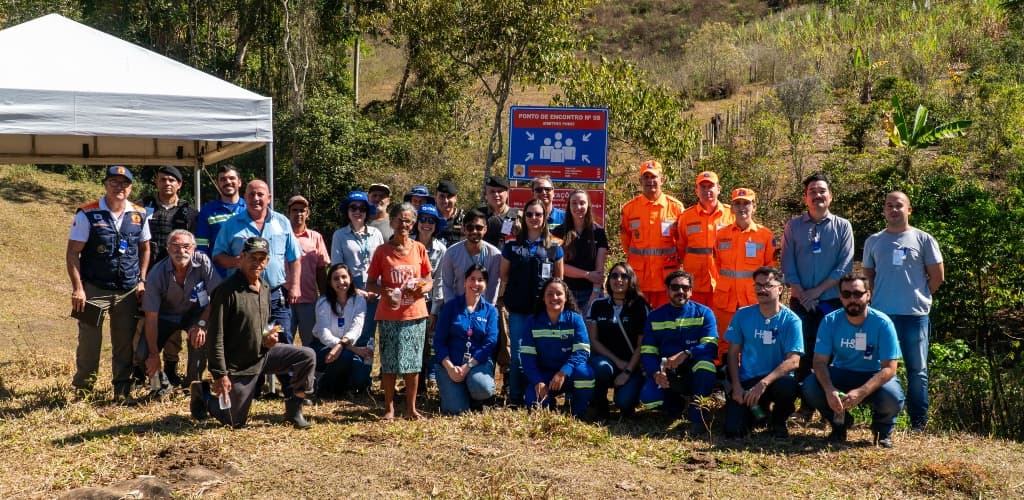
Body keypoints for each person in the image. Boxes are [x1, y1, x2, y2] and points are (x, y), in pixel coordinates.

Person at [190, 236, 315, 429]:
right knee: (234, 421)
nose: (257, 263)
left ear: (267, 261)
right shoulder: (226, 291)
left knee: (307, 356)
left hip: (263, 355)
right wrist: (220, 374)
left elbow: (265, 322)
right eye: (252, 258)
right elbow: (215, 337)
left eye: (261, 258)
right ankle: (204, 394)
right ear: (241, 257)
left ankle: (294, 409)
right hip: (239, 365)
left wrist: (268, 335)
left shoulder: (265, 288)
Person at [67, 165, 151, 404]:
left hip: (127, 291)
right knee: (89, 342)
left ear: (131, 187)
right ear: (105, 184)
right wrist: (78, 288)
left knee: (124, 343)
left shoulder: (139, 214)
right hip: (94, 289)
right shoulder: (87, 213)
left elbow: (145, 248)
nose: (119, 187)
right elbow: (73, 253)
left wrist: (142, 280)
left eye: (124, 183)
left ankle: (122, 391)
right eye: (114, 182)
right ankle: (83, 390)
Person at [862, 191, 944, 431]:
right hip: (882, 317)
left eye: (899, 205)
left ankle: (919, 422)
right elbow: (868, 277)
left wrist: (919, 296)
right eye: (889, 205)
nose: (893, 209)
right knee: (882, 369)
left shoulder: (923, 239)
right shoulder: (874, 241)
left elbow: (937, 277)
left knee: (917, 371)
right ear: (884, 210)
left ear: (909, 210)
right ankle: (886, 418)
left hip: (915, 316)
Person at [802, 273, 905, 448]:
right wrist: (829, 390)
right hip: (842, 374)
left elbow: (889, 368)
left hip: (873, 376)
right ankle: (839, 424)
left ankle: (882, 431)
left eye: (857, 294)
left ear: (868, 295)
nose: (852, 299)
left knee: (893, 395)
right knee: (810, 385)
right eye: (846, 294)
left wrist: (861, 392)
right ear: (840, 297)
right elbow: (819, 362)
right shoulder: (830, 321)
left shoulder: (883, 323)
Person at [781, 171, 853, 395]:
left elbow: (845, 266)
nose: (817, 195)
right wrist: (802, 294)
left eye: (822, 191)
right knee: (801, 349)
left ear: (830, 196)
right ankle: (804, 401)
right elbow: (787, 263)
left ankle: (828, 398)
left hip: (830, 301)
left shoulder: (843, 226)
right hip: (799, 300)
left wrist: (817, 292)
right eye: (812, 192)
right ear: (805, 198)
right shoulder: (793, 226)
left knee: (829, 350)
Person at [213, 180, 302, 347]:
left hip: (275, 296)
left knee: (281, 340)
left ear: (269, 198)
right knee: (251, 341)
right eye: (251, 195)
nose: (256, 198)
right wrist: (237, 261)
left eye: (260, 194)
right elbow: (218, 256)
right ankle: (256, 373)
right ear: (244, 198)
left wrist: (295, 286)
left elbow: (295, 257)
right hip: (245, 295)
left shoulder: (282, 222)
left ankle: (283, 374)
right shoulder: (232, 224)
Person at [366, 203, 433, 420]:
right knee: (389, 362)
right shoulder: (382, 251)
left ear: (412, 224)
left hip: (415, 314)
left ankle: (411, 408)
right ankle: (389, 408)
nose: (403, 224)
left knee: (413, 364)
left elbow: (429, 280)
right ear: (392, 221)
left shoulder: (419, 249)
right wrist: (384, 291)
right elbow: (370, 284)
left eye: (408, 220)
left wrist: (420, 287)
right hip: (389, 314)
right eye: (399, 219)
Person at [498, 198, 564, 406]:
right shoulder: (512, 246)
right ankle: (515, 398)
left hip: (544, 312)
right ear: (523, 217)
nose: (534, 218)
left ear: (545, 218)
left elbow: (558, 281)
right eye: (529, 214)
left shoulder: (555, 246)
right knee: (518, 357)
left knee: (541, 355)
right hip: (518, 310)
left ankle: (538, 395)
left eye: (538, 214)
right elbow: (504, 276)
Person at [723, 266, 802, 439]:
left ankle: (779, 421)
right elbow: (732, 354)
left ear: (780, 289)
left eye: (767, 285)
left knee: (787, 387)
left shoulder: (791, 320)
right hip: (748, 382)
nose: (761, 290)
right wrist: (736, 386)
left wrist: (764, 383)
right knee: (734, 431)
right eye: (757, 285)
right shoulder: (742, 315)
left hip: (775, 380)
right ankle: (760, 410)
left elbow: (794, 361)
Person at [140, 230, 221, 394]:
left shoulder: (203, 262)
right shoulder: (157, 273)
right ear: (168, 249)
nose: (181, 251)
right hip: (165, 316)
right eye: (175, 247)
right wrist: (154, 354)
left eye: (186, 246)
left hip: (194, 315)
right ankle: (159, 386)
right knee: (144, 353)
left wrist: (202, 323)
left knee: (200, 339)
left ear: (194, 248)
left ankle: (191, 386)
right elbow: (151, 317)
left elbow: (217, 296)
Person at [638, 270, 718, 436]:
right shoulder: (655, 316)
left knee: (706, 366)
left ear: (691, 291)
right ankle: (679, 406)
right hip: (668, 373)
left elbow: (710, 346)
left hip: (694, 369)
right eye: (675, 287)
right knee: (648, 399)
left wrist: (687, 353)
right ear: (667, 290)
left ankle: (698, 418)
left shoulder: (704, 313)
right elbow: (648, 352)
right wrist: (655, 373)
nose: (680, 291)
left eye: (685, 287)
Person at [141, 165, 197, 385]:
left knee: (173, 327)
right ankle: (144, 371)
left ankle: (171, 369)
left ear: (179, 184)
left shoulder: (189, 212)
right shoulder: (143, 207)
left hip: (179, 277)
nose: (167, 183)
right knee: (144, 323)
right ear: (156, 182)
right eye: (163, 179)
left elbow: (196, 246)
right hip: (150, 275)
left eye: (172, 180)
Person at [712, 188, 775, 363]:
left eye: (746, 203)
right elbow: (717, 265)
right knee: (725, 341)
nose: (742, 207)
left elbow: (771, 270)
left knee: (752, 340)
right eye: (737, 203)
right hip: (726, 299)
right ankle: (725, 380)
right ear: (731, 208)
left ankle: (750, 378)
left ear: (754, 207)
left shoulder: (765, 235)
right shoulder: (721, 235)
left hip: (752, 299)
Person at [521, 279, 594, 417]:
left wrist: (563, 372)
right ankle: (549, 402)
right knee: (534, 406)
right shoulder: (533, 321)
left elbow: (582, 351)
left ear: (566, 298)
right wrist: (538, 381)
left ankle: (579, 413)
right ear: (543, 298)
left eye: (559, 294)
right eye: (549, 294)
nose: (554, 298)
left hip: (569, 374)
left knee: (586, 374)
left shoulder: (575, 319)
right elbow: (527, 356)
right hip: (544, 375)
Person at [434, 264, 499, 415]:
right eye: (472, 279)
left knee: (482, 388)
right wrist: (450, 367)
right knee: (457, 411)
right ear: (465, 281)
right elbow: (439, 341)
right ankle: (456, 391)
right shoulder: (450, 307)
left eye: (480, 280)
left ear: (486, 284)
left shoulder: (491, 311)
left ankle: (473, 394)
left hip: (476, 364)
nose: (475, 284)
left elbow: (491, 342)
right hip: (450, 364)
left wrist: (468, 366)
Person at [587, 262, 649, 419]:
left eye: (624, 276)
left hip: (632, 365)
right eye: (614, 275)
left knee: (624, 403)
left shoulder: (641, 306)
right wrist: (617, 362)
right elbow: (593, 340)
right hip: (607, 361)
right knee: (599, 366)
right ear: (609, 280)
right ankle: (599, 405)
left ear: (631, 280)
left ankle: (628, 397)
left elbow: (642, 345)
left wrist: (627, 370)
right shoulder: (598, 305)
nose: (618, 279)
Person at [619, 160, 685, 309]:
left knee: (665, 322)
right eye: (646, 177)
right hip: (639, 279)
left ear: (662, 180)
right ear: (640, 181)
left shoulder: (676, 208)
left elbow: (682, 242)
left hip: (666, 279)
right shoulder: (629, 209)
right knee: (639, 321)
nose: (650, 181)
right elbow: (626, 242)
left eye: (654, 177)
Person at [331, 191, 385, 348]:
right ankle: (350, 369)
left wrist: (377, 290)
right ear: (347, 212)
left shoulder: (376, 234)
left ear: (367, 212)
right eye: (353, 208)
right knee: (352, 332)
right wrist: (354, 290)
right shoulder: (339, 235)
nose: (357, 211)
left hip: (374, 289)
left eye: (362, 208)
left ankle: (365, 369)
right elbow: (337, 267)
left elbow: (383, 263)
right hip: (350, 288)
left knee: (369, 335)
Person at [310, 263, 373, 397]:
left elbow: (357, 328)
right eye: (336, 278)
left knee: (361, 380)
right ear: (330, 282)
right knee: (345, 356)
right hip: (323, 347)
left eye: (344, 277)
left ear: (350, 278)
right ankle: (324, 387)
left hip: (348, 346)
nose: (341, 282)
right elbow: (324, 333)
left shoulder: (359, 300)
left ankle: (343, 386)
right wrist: (351, 348)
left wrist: (343, 346)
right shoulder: (323, 302)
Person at [677, 171, 733, 308]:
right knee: (695, 322)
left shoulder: (731, 215)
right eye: (703, 187)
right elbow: (680, 248)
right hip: (694, 282)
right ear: (697, 190)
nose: (707, 190)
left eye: (711, 186)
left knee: (719, 324)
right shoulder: (686, 217)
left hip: (722, 282)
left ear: (718, 189)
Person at [552, 189, 608, 311]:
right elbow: (559, 266)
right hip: (565, 294)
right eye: (574, 203)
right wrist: (587, 275)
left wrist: (595, 294)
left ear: (588, 205)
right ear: (569, 206)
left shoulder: (598, 232)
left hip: (591, 294)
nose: (578, 207)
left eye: (582, 203)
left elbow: (599, 269)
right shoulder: (558, 232)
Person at [412, 204, 448, 389]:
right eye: (423, 219)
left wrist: (434, 311)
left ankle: (430, 376)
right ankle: (413, 382)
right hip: (409, 302)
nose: (426, 224)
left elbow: (439, 280)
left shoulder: (441, 249)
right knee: (413, 342)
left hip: (430, 302)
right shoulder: (407, 243)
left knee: (431, 341)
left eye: (431, 220)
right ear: (417, 222)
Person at [287, 195, 330, 347]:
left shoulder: (315, 237)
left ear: (308, 213)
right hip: (285, 301)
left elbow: (321, 270)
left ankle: (310, 371)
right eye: (295, 210)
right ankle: (284, 371)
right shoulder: (281, 236)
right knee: (284, 342)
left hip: (309, 300)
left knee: (311, 342)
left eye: (302, 210)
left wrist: (325, 298)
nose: (298, 214)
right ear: (289, 213)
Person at [439, 209, 501, 305]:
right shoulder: (451, 253)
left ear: (485, 230)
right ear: (463, 229)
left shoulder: (494, 255)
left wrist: (487, 311)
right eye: (470, 228)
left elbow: (493, 286)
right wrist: (451, 309)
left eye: (479, 228)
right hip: (457, 308)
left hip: (483, 308)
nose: (474, 231)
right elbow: (447, 285)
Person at [195, 164, 246, 277]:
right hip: (219, 277)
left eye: (232, 178)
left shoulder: (250, 208)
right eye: (223, 179)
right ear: (218, 184)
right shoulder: (207, 211)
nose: (228, 182)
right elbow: (201, 247)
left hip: (248, 274)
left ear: (239, 182)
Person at [480, 175, 518, 250]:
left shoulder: (518, 216)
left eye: (499, 191)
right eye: (492, 191)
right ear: (486, 194)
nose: (496, 195)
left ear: (507, 193)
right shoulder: (477, 215)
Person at [435, 180, 464, 246]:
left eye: (449, 196)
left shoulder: (464, 220)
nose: (446, 201)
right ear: (435, 197)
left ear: (456, 198)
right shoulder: (428, 218)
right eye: (442, 196)